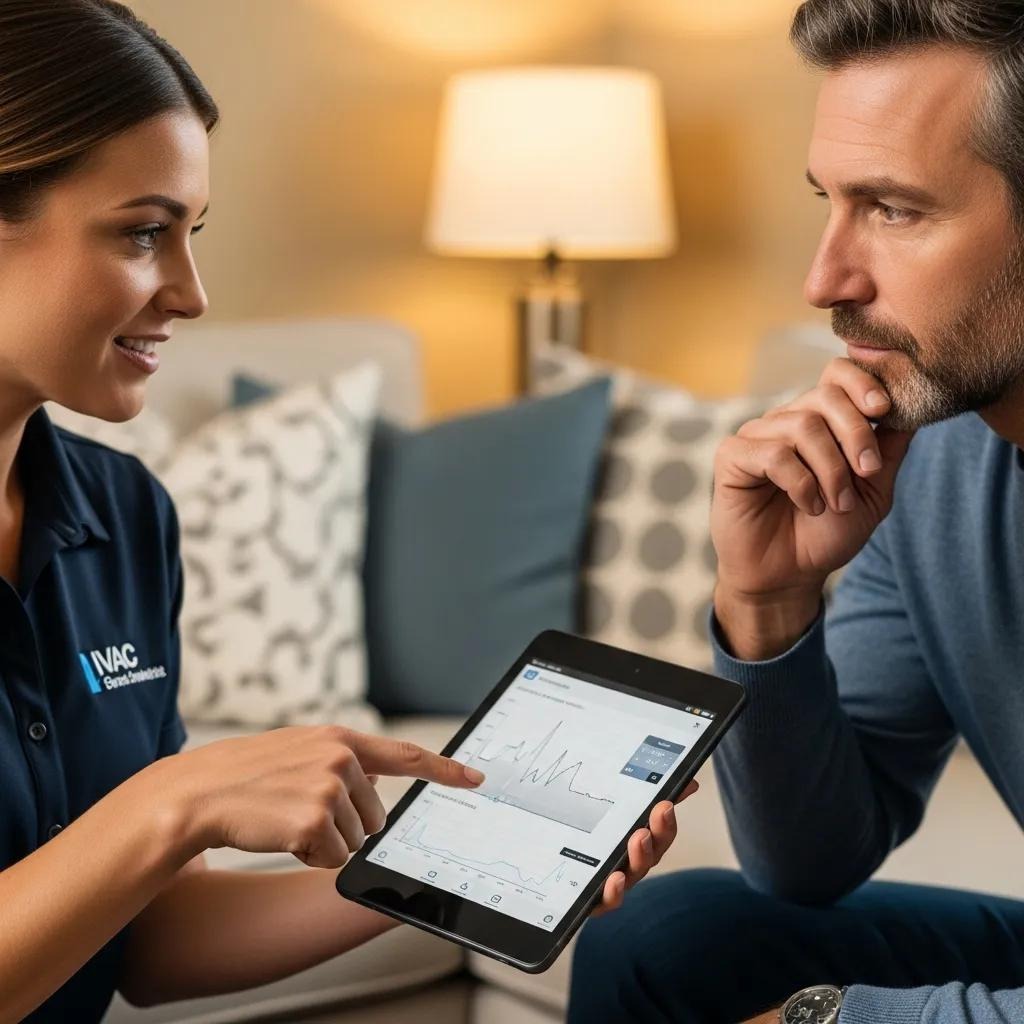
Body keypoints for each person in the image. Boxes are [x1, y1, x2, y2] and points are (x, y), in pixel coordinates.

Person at [0, 3, 693, 1021]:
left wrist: (451, 871)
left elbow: (139, 940)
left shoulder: (124, 514)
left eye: (192, 234)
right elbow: (148, 833)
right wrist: (174, 802)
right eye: (144, 233)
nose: (192, 292)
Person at [568, 1, 1024, 1022]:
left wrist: (832, 1017)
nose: (824, 278)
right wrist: (766, 598)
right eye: (829, 199)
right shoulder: (930, 459)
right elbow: (807, 863)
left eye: (894, 209)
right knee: (667, 938)